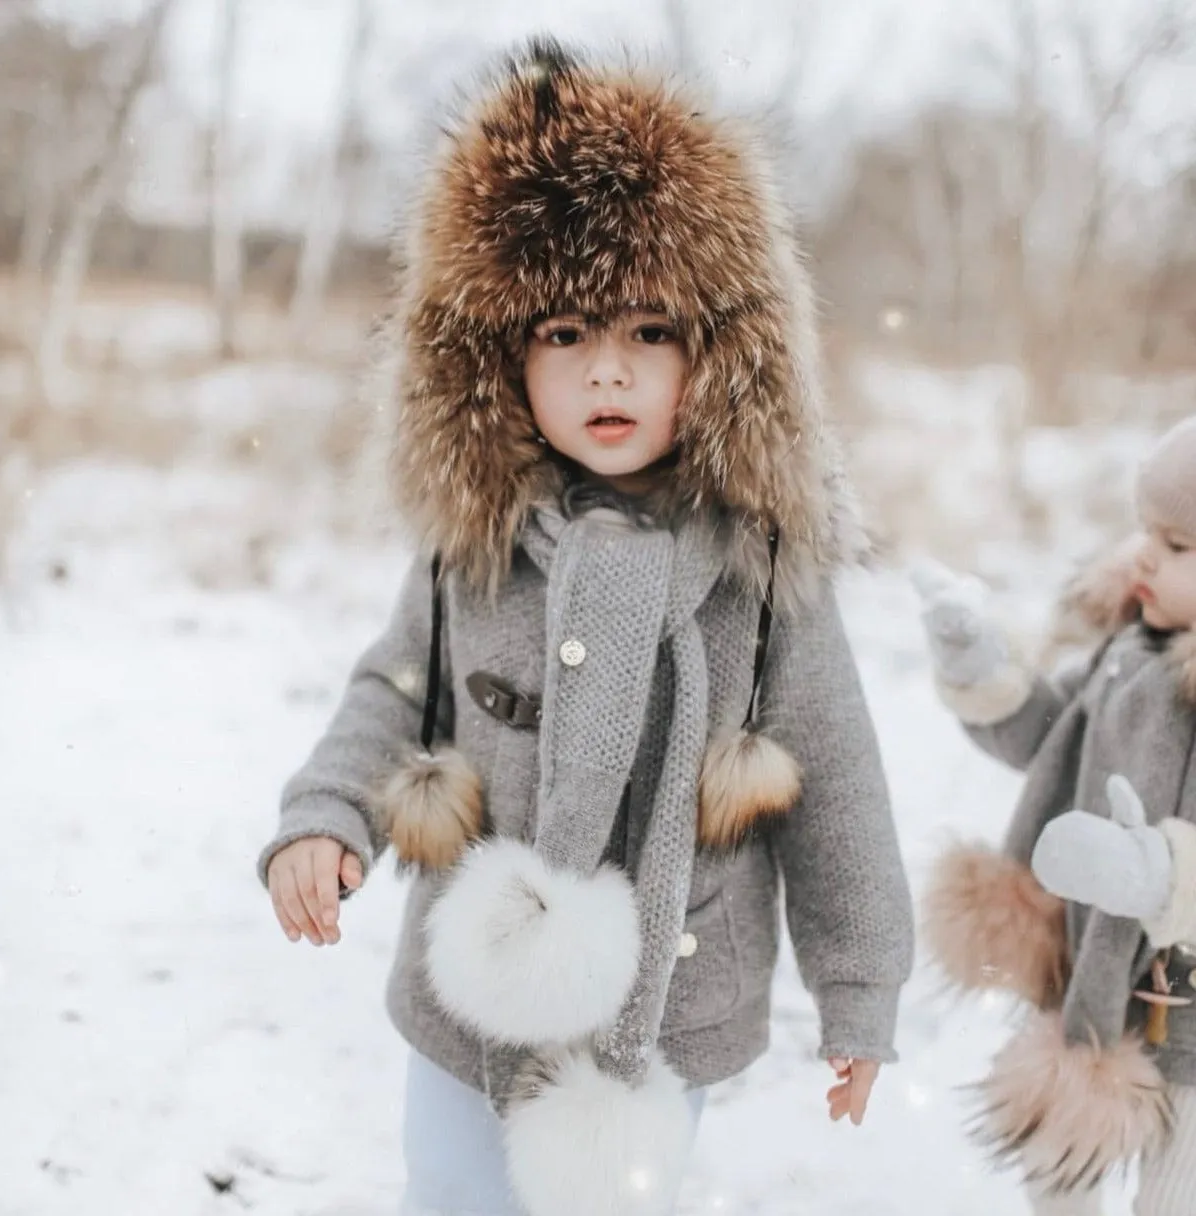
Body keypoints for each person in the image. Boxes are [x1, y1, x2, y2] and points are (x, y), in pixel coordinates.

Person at [259, 39, 914, 1216]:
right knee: (455, 1191)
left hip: (671, 997)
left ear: (718, 356)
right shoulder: (478, 541)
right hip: (476, 985)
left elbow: (842, 790)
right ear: (493, 362)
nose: (606, 371)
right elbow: (392, 691)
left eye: (648, 332)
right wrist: (326, 815)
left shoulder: (760, 574)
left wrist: (859, 990)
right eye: (563, 334)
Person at [916, 415, 1196, 1215]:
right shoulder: (1129, 649)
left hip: (1188, 995)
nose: (1145, 556)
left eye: (1178, 548)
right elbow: (1043, 736)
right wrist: (978, 664)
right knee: (1058, 1170)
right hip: (1096, 963)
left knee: (1174, 1189)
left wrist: (1157, 872)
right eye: (1147, 533)